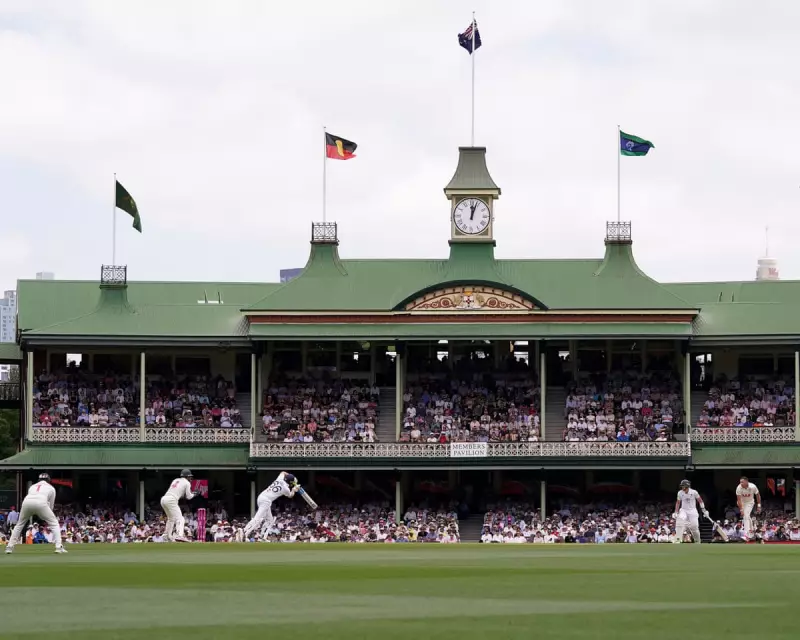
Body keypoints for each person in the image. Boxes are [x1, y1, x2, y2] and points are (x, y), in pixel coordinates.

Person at [5, 473, 67, 554]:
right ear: (48, 480)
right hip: (41, 503)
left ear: (39, 480)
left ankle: (9, 547)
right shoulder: (51, 488)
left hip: (26, 502)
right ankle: (58, 547)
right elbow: (51, 506)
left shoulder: (32, 486)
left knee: (19, 525)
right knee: (54, 523)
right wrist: (46, 517)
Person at [244, 471, 300, 540]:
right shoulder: (286, 489)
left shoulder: (280, 479)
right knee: (257, 518)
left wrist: (290, 477)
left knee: (270, 520)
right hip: (266, 501)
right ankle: (244, 532)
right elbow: (290, 495)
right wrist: (294, 489)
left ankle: (262, 537)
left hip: (261, 497)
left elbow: (283, 472)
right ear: (290, 482)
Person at [160, 469, 199, 542]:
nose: (190, 478)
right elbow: (189, 497)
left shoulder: (176, 480)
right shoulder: (187, 483)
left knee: (171, 519)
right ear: (187, 476)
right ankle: (179, 535)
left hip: (164, 499)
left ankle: (166, 535)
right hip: (171, 500)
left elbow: (179, 493)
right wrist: (195, 494)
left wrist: (192, 493)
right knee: (180, 519)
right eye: (189, 477)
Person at [673, 479, 709, 543]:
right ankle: (677, 539)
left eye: (683, 486)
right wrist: (676, 512)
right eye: (682, 486)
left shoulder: (694, 492)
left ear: (687, 486)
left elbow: (700, 501)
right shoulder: (680, 493)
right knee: (679, 521)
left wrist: (704, 509)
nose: (682, 487)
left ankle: (697, 541)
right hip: (683, 510)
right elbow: (678, 503)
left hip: (692, 510)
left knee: (694, 526)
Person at [735, 476, 761, 540]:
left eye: (742, 482)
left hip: (750, 502)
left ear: (746, 482)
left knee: (746, 516)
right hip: (741, 502)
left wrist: (759, 506)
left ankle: (746, 534)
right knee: (746, 516)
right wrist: (741, 509)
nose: (741, 483)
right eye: (740, 482)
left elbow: (758, 495)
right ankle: (751, 530)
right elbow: (738, 500)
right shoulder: (738, 488)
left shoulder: (753, 486)